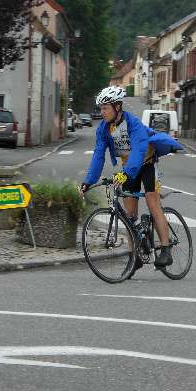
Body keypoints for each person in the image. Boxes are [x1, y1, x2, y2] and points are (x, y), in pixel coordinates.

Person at [80, 86, 183, 270]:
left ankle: (166, 250)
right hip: (128, 167)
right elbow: (98, 155)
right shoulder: (104, 129)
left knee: (153, 203)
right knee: (129, 214)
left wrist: (125, 173)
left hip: (147, 164)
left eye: (105, 108)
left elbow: (139, 151)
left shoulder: (134, 124)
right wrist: (89, 181)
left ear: (117, 107)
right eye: (101, 108)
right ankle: (134, 255)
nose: (102, 112)